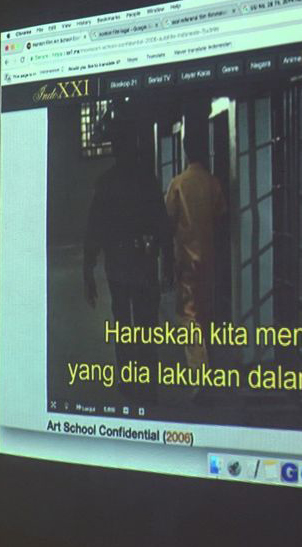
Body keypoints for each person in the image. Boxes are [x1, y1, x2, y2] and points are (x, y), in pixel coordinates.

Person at [83, 108, 169, 406]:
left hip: (118, 265)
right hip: (144, 262)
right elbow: (162, 223)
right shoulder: (147, 179)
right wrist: (168, 261)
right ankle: (148, 384)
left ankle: (129, 380)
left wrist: (88, 271)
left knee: (123, 323)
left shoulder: (106, 183)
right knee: (146, 325)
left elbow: (94, 228)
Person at [165, 116, 226, 370]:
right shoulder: (213, 182)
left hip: (186, 259)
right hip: (210, 257)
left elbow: (168, 221)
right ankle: (210, 360)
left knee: (188, 314)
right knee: (206, 310)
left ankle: (199, 369)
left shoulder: (178, 184)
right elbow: (221, 216)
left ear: (186, 151)